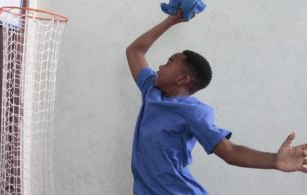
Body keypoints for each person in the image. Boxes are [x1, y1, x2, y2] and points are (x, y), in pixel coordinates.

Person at [126, 9, 307, 195]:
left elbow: (230, 152)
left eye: (169, 63)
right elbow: (135, 51)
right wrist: (171, 20)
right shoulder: (152, 90)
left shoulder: (193, 112)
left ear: (183, 80)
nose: (161, 66)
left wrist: (274, 160)